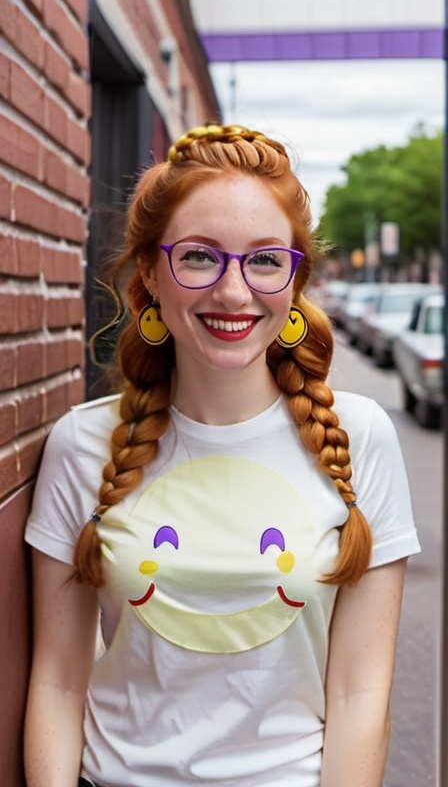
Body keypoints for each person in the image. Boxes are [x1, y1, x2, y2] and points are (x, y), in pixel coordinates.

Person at [24, 123, 420, 787]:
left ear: (295, 282)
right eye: (200, 257)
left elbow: (359, 693)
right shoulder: (81, 444)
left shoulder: (361, 438)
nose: (233, 293)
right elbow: (59, 685)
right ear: (151, 271)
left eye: (265, 260)